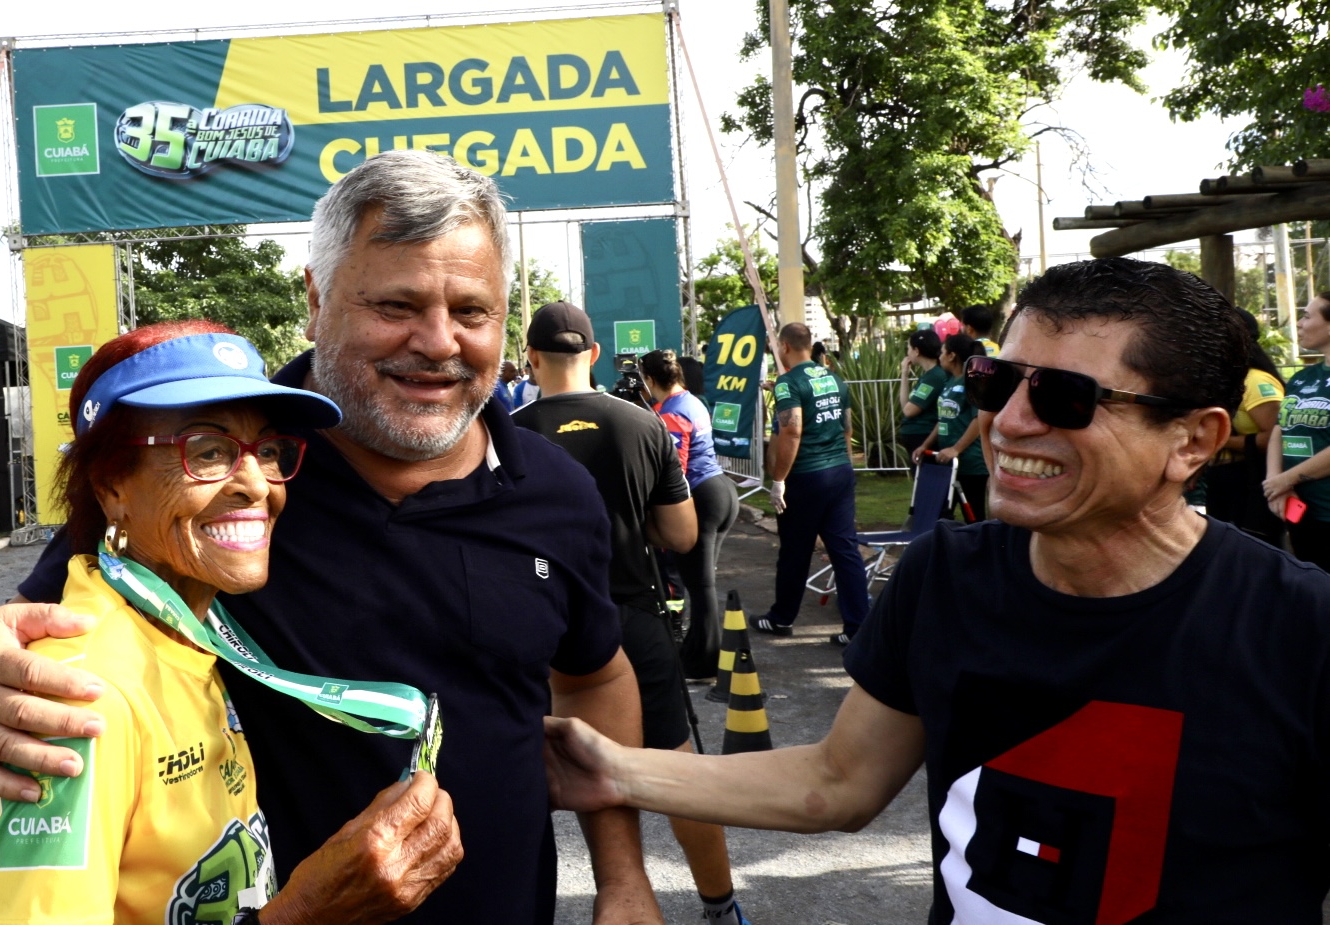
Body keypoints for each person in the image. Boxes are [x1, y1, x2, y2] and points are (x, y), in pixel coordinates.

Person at [0, 150, 659, 924]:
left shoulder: (557, 492)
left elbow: (594, 677)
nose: (437, 341)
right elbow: (36, 634)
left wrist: (623, 878)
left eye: (471, 312)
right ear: (315, 301)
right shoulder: (217, 494)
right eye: (395, 305)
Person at [544, 258, 1330, 921]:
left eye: (1063, 397)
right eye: (996, 382)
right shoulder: (944, 577)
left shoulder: (1302, 627)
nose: (1010, 422)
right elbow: (836, 780)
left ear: (1193, 440)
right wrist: (613, 766)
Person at [0, 320, 465, 924]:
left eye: (267, 451)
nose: (255, 485)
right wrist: (305, 914)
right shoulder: (78, 699)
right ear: (112, 484)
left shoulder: (188, 631)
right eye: (208, 451)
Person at [513, 304, 749, 925]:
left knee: (516, 774)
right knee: (672, 771)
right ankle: (722, 908)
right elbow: (681, 533)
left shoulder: (506, 433)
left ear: (531, 357)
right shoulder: (643, 425)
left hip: (538, 627)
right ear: (593, 355)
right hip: (630, 617)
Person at [753, 322, 868, 647]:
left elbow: (792, 431)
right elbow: (846, 427)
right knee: (845, 550)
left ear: (785, 347)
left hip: (806, 476)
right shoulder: (833, 377)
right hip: (839, 472)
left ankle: (781, 618)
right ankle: (859, 626)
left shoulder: (789, 383)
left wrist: (778, 480)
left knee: (794, 551)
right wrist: (844, 464)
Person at [640, 349, 740, 680]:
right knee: (701, 583)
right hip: (720, 489)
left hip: (702, 495)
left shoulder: (670, 413)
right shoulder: (693, 401)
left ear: (650, 380)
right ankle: (699, 653)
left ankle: (704, 662)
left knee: (700, 585)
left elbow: (674, 471)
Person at [1205, 308, 1284, 544]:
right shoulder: (1226, 379)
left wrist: (1222, 439)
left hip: (1249, 481)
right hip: (1220, 478)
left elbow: (1276, 437)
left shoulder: (1256, 381)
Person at [1266, 291, 1330, 568]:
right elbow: (1280, 430)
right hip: (1299, 508)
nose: (1300, 324)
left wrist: (1286, 479)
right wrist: (1276, 483)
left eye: (1306, 316)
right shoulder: (1303, 378)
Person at [913, 333, 988, 521]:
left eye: (942, 352)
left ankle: (978, 550)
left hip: (971, 464)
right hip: (947, 463)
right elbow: (943, 418)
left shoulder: (972, 382)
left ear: (952, 355)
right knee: (939, 514)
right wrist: (926, 445)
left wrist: (956, 449)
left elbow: (978, 419)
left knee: (974, 517)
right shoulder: (949, 382)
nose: (939, 356)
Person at [896, 328, 948, 468]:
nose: (907, 353)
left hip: (923, 434)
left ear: (917, 351)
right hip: (917, 436)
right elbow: (906, 405)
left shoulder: (934, 377)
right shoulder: (928, 376)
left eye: (909, 348)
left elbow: (909, 411)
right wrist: (904, 374)